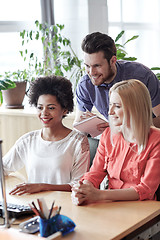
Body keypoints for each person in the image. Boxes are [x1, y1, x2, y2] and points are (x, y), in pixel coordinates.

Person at [71, 79, 160, 205]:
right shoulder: (108, 135)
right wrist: (83, 190)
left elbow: (146, 190)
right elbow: (95, 173)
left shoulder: (156, 140)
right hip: (110, 204)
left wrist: (99, 194)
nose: (110, 112)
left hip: (141, 209)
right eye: (110, 105)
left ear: (136, 108)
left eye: (117, 106)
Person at [3, 75, 90, 195]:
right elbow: (3, 167)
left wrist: (42, 186)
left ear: (64, 110)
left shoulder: (78, 142)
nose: (44, 113)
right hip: (33, 206)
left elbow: (79, 185)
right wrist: (19, 181)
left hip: (65, 207)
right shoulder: (28, 141)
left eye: (51, 108)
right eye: (40, 107)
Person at [75, 32, 160, 130]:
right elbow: (78, 124)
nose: (91, 72)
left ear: (113, 60)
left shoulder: (142, 76)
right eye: (87, 66)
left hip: (147, 136)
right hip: (115, 139)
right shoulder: (85, 85)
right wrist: (87, 125)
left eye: (97, 66)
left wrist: (125, 128)